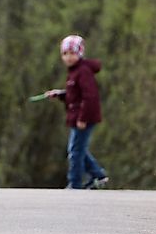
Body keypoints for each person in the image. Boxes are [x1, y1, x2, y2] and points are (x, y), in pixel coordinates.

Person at [44, 34, 109, 190]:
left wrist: (83, 118)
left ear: (79, 54)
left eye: (72, 53)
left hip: (84, 118)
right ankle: (98, 175)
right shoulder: (74, 72)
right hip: (78, 117)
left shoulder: (83, 71)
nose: (68, 57)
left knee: (75, 151)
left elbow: (90, 97)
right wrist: (60, 94)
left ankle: (75, 183)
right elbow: (74, 95)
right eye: (65, 54)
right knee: (77, 149)